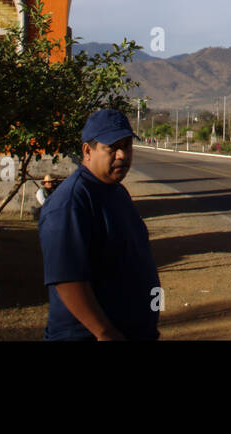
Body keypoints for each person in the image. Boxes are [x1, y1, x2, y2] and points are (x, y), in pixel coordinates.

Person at [38, 108, 162, 340]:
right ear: (87, 151)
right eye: (112, 147)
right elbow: (67, 278)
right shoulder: (71, 203)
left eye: (126, 146)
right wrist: (104, 333)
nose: (122, 155)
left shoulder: (117, 193)